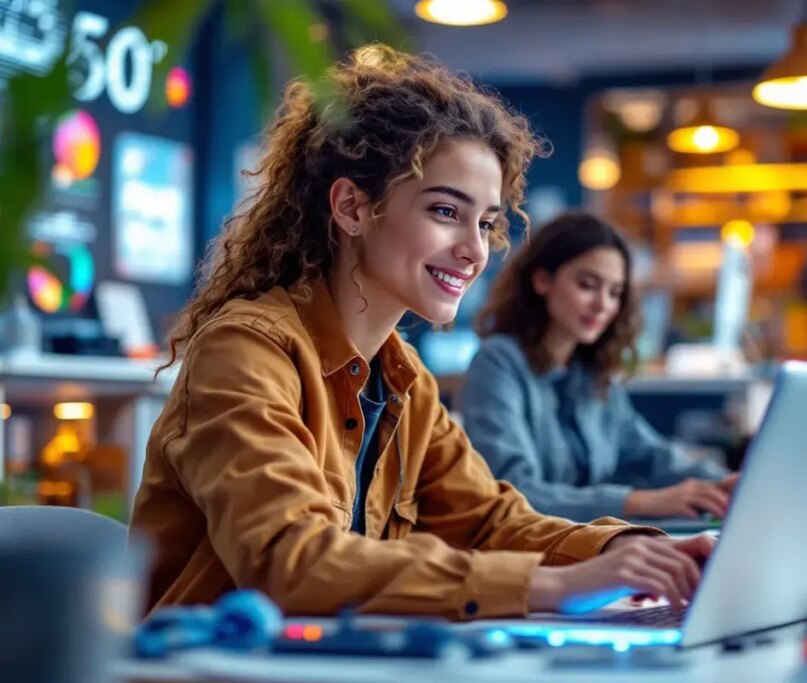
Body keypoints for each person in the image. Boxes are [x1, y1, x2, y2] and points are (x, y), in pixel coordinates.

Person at [130, 47, 714, 620]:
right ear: (352, 208)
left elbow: (490, 521)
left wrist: (627, 551)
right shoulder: (246, 351)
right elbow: (290, 562)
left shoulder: (403, 378)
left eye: (485, 222)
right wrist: (552, 585)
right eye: (445, 211)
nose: (474, 249)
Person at [463, 212, 738, 522]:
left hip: (589, 545)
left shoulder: (591, 373)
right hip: (530, 555)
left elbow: (649, 456)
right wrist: (639, 502)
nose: (603, 305)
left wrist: (723, 482)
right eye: (588, 285)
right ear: (542, 280)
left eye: (615, 293)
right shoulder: (498, 361)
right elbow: (513, 491)